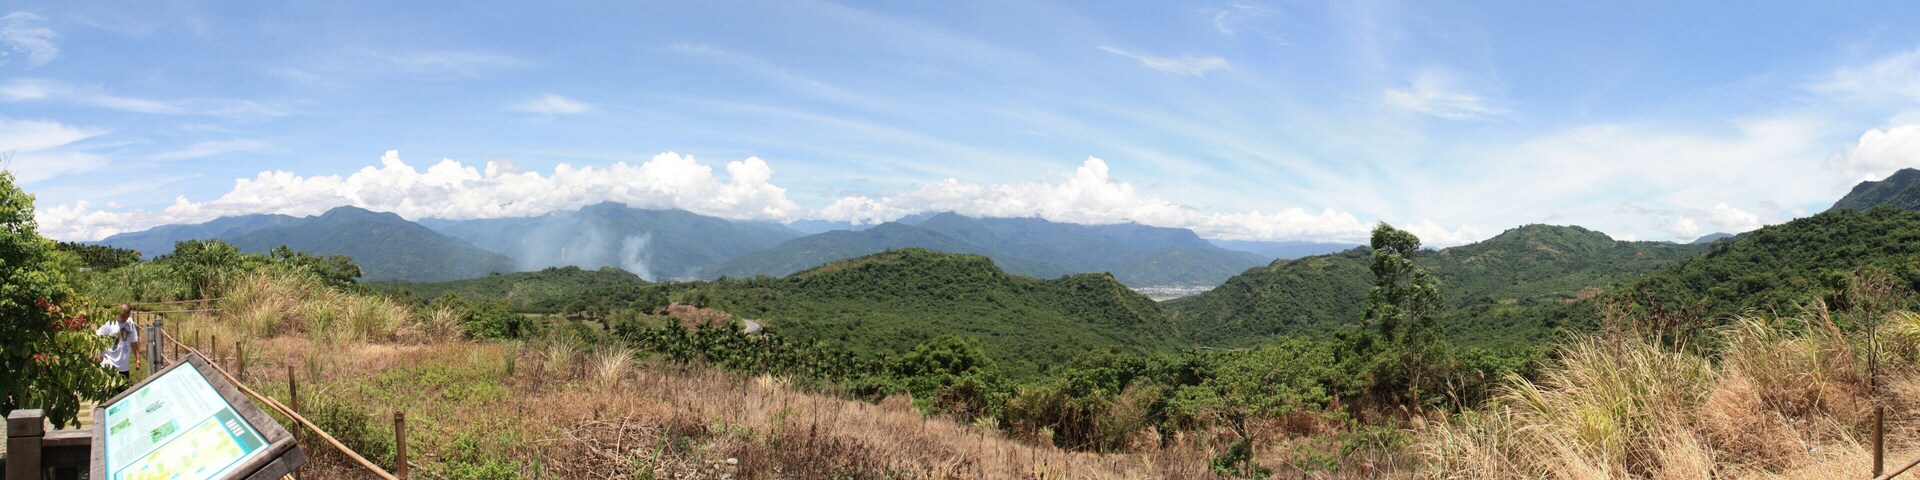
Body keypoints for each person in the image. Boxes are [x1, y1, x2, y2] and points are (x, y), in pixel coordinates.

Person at [96, 304, 140, 393]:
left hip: (123, 366)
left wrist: (137, 359)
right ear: (117, 313)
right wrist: (99, 356)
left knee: (123, 395)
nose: (125, 319)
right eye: (123, 316)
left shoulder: (130, 322)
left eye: (127, 316)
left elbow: (134, 341)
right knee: (107, 394)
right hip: (109, 365)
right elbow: (98, 339)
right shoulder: (109, 323)